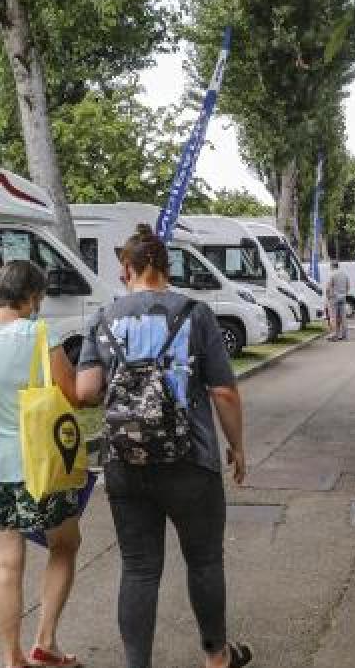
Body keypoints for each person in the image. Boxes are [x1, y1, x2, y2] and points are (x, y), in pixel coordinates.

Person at [76, 225, 253, 668]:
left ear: (130, 269)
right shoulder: (196, 313)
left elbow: (86, 391)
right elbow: (224, 393)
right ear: (164, 267)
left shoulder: (103, 318)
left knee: (138, 569)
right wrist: (237, 445)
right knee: (205, 561)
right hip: (191, 460)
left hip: (124, 461)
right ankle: (217, 657)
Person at [0, 260, 84, 668]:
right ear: (32, 297)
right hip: (38, 468)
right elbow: (72, 394)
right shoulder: (41, 335)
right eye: (39, 298)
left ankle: (12, 658)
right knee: (64, 545)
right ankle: (45, 641)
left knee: (6, 562)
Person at [325, 261, 351, 341]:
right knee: (343, 317)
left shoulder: (332, 274)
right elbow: (348, 286)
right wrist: (344, 293)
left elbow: (328, 287)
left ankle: (334, 335)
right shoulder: (344, 274)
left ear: (332, 266)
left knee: (333, 317)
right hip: (343, 297)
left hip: (334, 298)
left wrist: (328, 296)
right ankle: (344, 335)